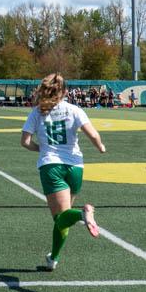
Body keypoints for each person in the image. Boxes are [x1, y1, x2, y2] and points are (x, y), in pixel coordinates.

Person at [20, 72, 104, 271]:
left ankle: (83, 215)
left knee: (62, 217)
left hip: (52, 167)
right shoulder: (74, 110)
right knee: (62, 219)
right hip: (75, 167)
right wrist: (101, 147)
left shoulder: (37, 112)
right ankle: (53, 258)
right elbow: (92, 134)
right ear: (65, 91)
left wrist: (41, 149)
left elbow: (25, 142)